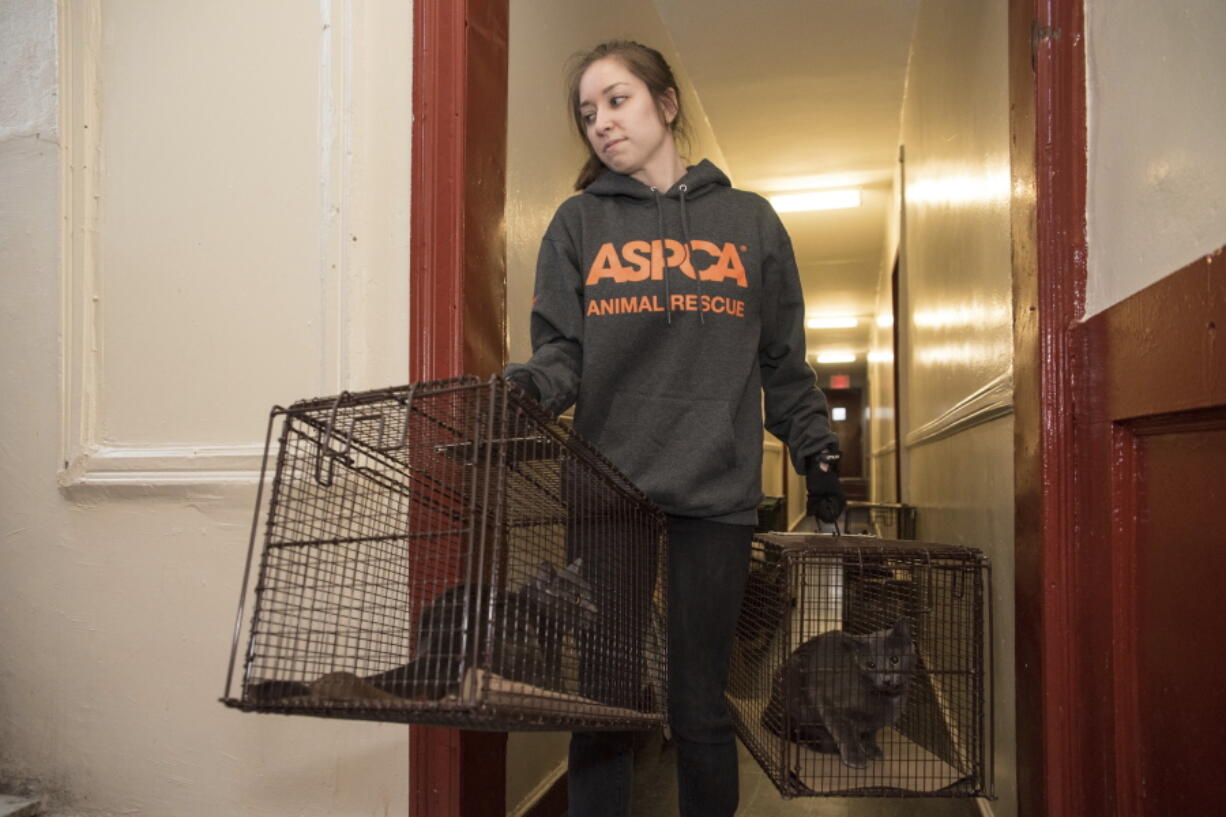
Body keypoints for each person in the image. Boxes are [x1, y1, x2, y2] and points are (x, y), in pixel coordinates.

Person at [504, 39, 845, 817]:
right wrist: (528, 389)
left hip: (714, 485)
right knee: (606, 704)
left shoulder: (749, 223)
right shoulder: (577, 224)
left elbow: (782, 360)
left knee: (697, 704)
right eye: (587, 113)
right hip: (607, 486)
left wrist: (815, 449)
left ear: (666, 103)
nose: (601, 123)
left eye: (617, 100)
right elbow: (563, 351)